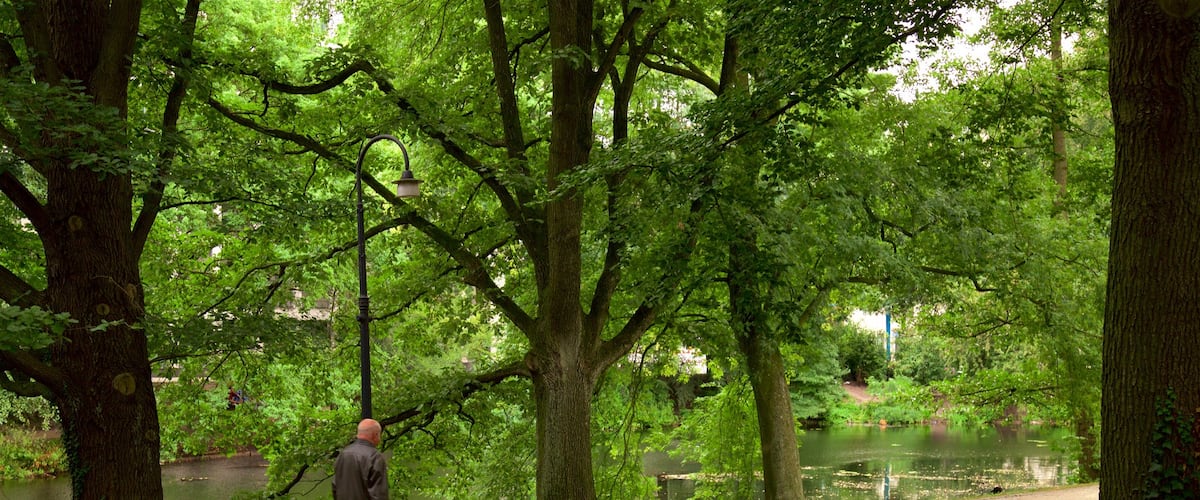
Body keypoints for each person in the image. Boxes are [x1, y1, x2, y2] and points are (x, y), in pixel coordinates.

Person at [333, 418, 389, 499]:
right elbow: (379, 495)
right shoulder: (374, 457)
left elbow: (335, 487)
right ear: (375, 435)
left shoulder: (343, 455)